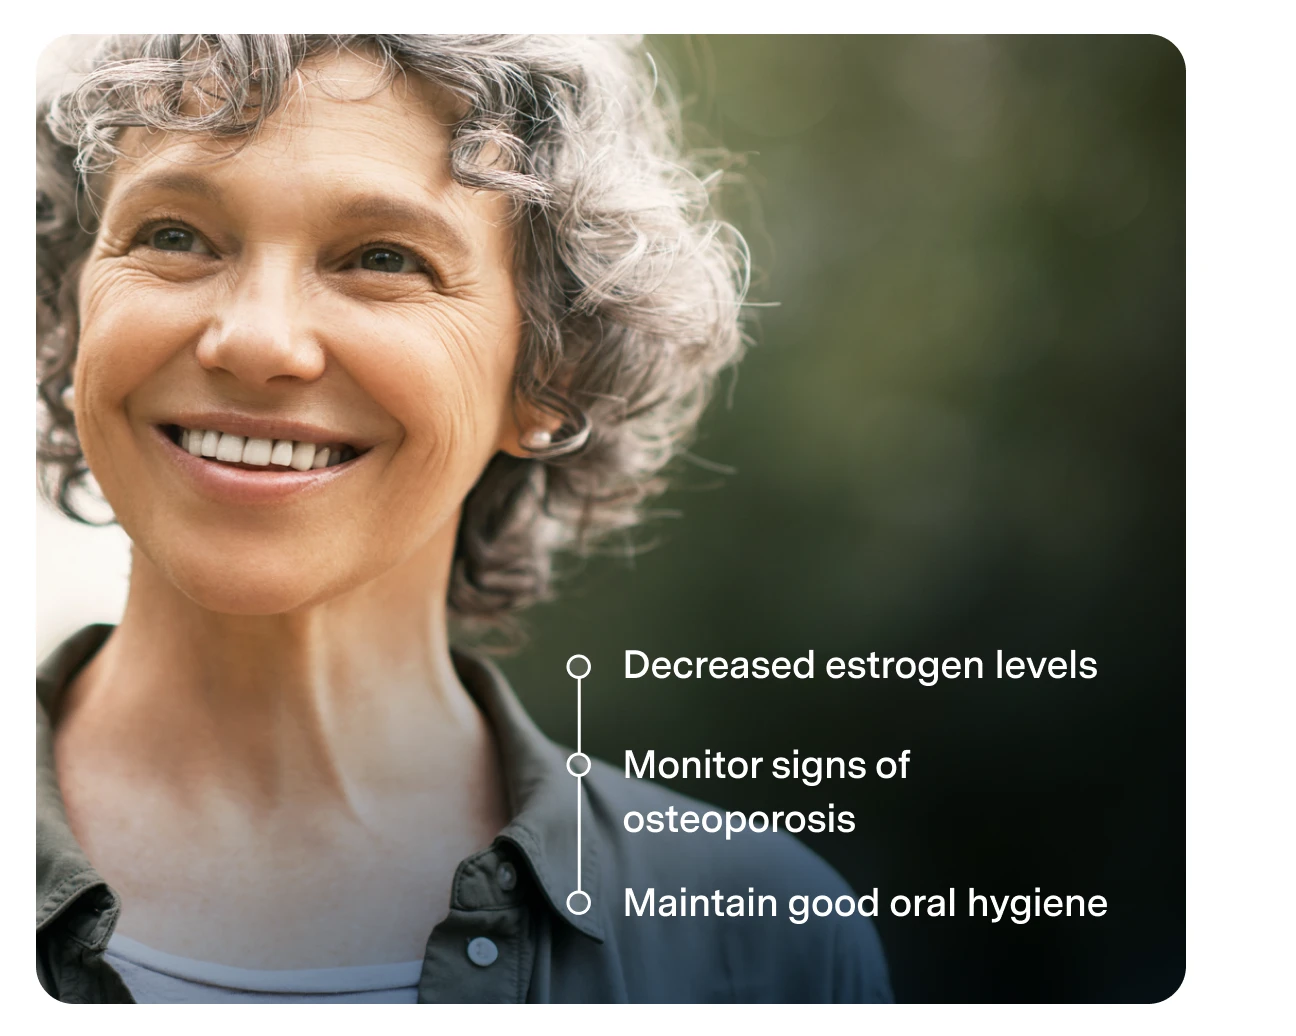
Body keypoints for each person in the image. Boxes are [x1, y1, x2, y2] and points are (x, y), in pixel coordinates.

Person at [36, 34, 892, 1004]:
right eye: (174, 236)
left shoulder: (763, 944)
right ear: (69, 314)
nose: (256, 338)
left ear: (551, 376)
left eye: (383, 257)